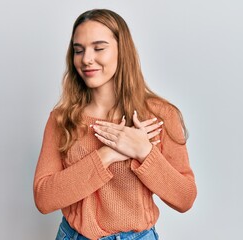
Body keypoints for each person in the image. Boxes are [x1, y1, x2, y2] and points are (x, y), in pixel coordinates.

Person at [33, 9, 197, 240]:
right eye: (78, 50)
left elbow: (185, 198)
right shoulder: (62, 119)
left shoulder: (159, 115)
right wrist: (108, 154)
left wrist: (144, 151)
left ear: (123, 50)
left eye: (99, 48)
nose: (86, 59)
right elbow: (44, 198)